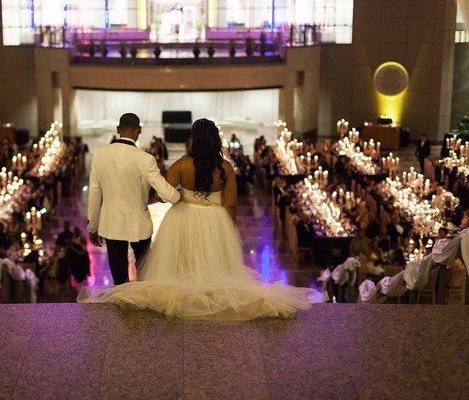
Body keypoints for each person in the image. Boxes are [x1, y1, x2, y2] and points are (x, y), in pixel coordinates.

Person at [80, 118, 321, 320]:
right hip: (215, 219)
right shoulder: (225, 167)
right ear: (215, 139)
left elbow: (164, 193)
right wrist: (227, 228)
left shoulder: (183, 165)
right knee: (212, 264)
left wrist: (168, 196)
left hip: (183, 218)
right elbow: (232, 204)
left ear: (194, 140)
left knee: (182, 263)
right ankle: (209, 297)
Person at [86, 113, 181, 285]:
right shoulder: (145, 159)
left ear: (117, 129)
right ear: (139, 130)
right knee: (145, 274)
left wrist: (93, 226)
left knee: (119, 278)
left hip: (112, 223)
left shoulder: (100, 155)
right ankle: (142, 305)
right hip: (140, 223)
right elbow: (166, 192)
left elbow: (94, 193)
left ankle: (121, 307)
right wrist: (179, 196)